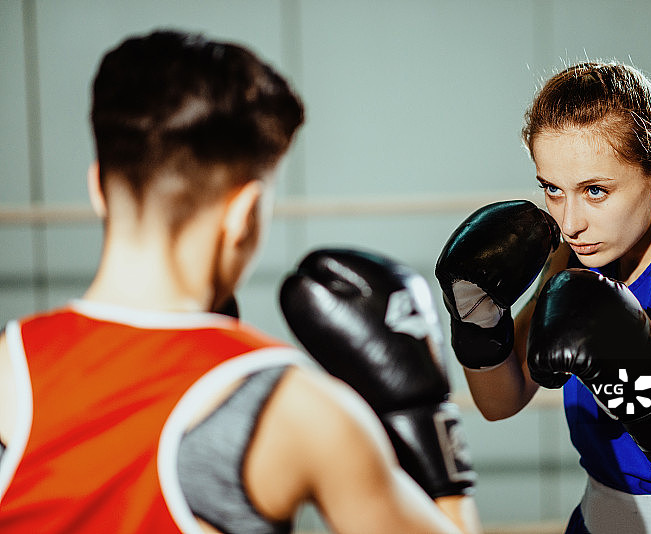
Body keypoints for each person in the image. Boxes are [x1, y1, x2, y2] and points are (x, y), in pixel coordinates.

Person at [0, 30, 482, 534]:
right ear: (244, 215)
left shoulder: (9, 367)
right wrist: (424, 415)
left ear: (98, 187)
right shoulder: (296, 409)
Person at [435, 61, 651, 533]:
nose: (570, 222)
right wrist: (476, 318)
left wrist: (636, 381)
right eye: (553, 190)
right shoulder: (581, 256)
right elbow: (500, 400)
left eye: (595, 191)